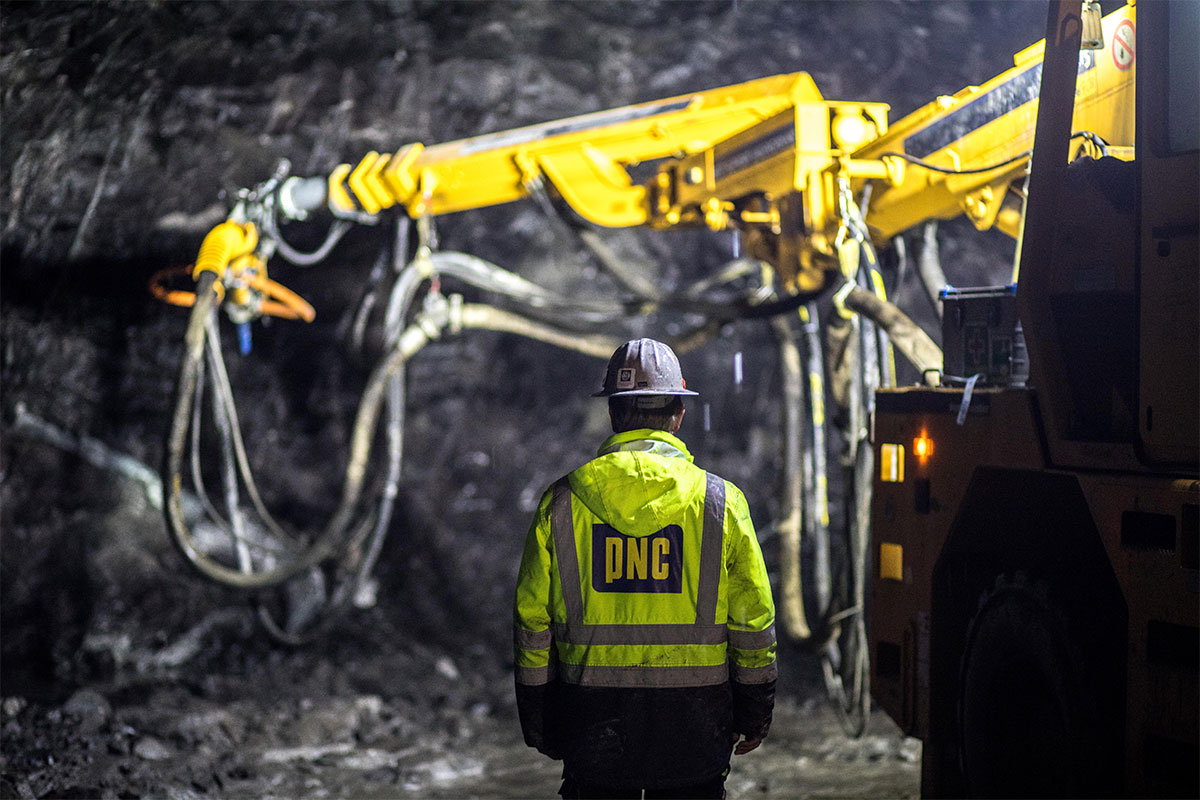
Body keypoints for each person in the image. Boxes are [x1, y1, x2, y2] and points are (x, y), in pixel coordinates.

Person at [513, 338, 777, 799]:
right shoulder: (721, 504)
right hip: (694, 735)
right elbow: (753, 623)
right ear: (679, 414)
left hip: (593, 734)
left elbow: (532, 624)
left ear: (614, 413)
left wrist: (540, 720)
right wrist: (753, 712)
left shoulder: (561, 504)